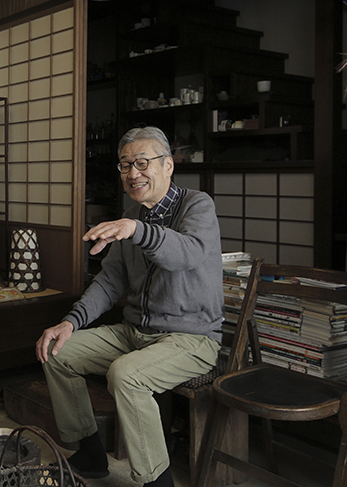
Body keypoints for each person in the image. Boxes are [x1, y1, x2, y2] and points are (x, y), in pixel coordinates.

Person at [35, 126, 224, 487]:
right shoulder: (132, 215)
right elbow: (109, 281)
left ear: (168, 165)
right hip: (135, 332)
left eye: (141, 163)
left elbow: (188, 253)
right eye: (124, 165)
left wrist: (136, 229)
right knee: (56, 350)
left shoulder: (197, 205)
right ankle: (90, 451)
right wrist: (70, 323)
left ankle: (157, 481)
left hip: (191, 338)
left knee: (126, 375)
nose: (132, 173)